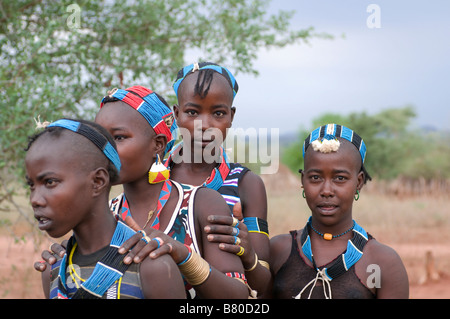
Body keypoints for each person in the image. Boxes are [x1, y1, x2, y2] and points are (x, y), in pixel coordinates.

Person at [35, 86, 249, 299]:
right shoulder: (106, 214)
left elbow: (238, 297)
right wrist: (65, 265)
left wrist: (183, 255)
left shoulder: (201, 203)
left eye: (118, 138)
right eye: (100, 140)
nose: (104, 150)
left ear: (157, 145)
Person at [25, 118, 185, 299]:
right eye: (31, 185)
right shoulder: (54, 272)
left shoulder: (151, 268)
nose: (35, 200)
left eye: (50, 182)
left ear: (98, 181)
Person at [268, 124, 409, 299]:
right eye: (315, 178)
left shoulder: (383, 262)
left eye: (340, 178)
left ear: (358, 182)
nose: (326, 190)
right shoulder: (277, 251)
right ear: (303, 181)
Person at [170, 62, 271, 296]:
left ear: (231, 116)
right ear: (176, 114)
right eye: (192, 112)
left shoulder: (246, 184)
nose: (205, 125)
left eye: (218, 113)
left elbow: (264, 287)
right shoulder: (155, 178)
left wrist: (248, 255)